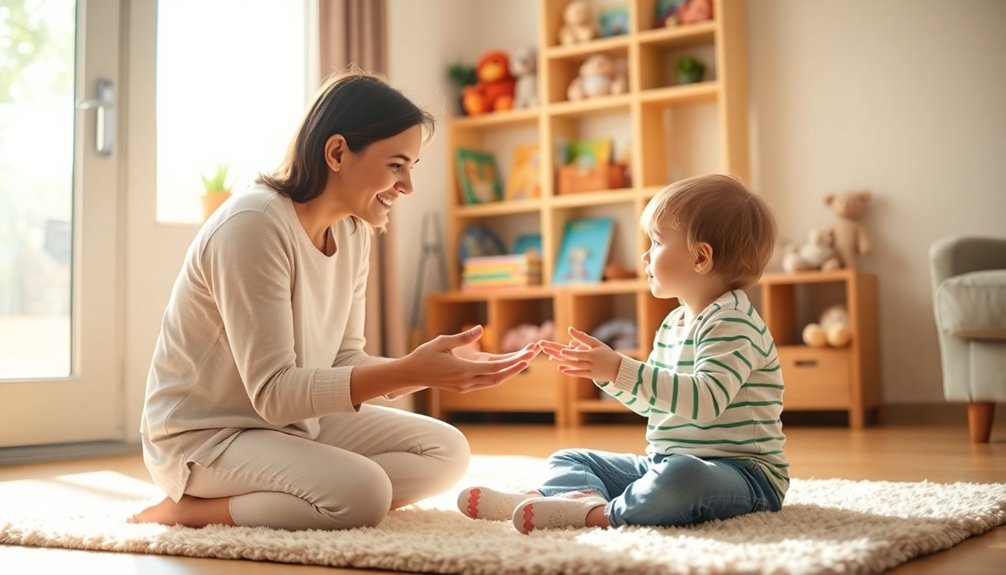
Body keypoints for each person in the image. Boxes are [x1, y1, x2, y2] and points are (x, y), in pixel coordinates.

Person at [129, 70, 540, 531]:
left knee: (447, 451)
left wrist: (432, 371)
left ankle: (303, 489)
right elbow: (274, 393)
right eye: (395, 165)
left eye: (411, 168)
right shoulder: (253, 225)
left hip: (295, 423)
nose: (407, 186)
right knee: (362, 493)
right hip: (204, 439)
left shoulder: (351, 230)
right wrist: (411, 370)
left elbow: (346, 358)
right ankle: (187, 510)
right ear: (337, 152)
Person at [457, 174, 788, 533]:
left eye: (657, 242)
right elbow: (655, 405)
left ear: (701, 257)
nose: (645, 255)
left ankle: (596, 515)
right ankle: (570, 499)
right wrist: (606, 375)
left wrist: (618, 368)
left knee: (682, 478)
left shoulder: (732, 322)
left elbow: (704, 402)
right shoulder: (674, 322)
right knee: (570, 458)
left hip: (744, 475)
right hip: (663, 461)